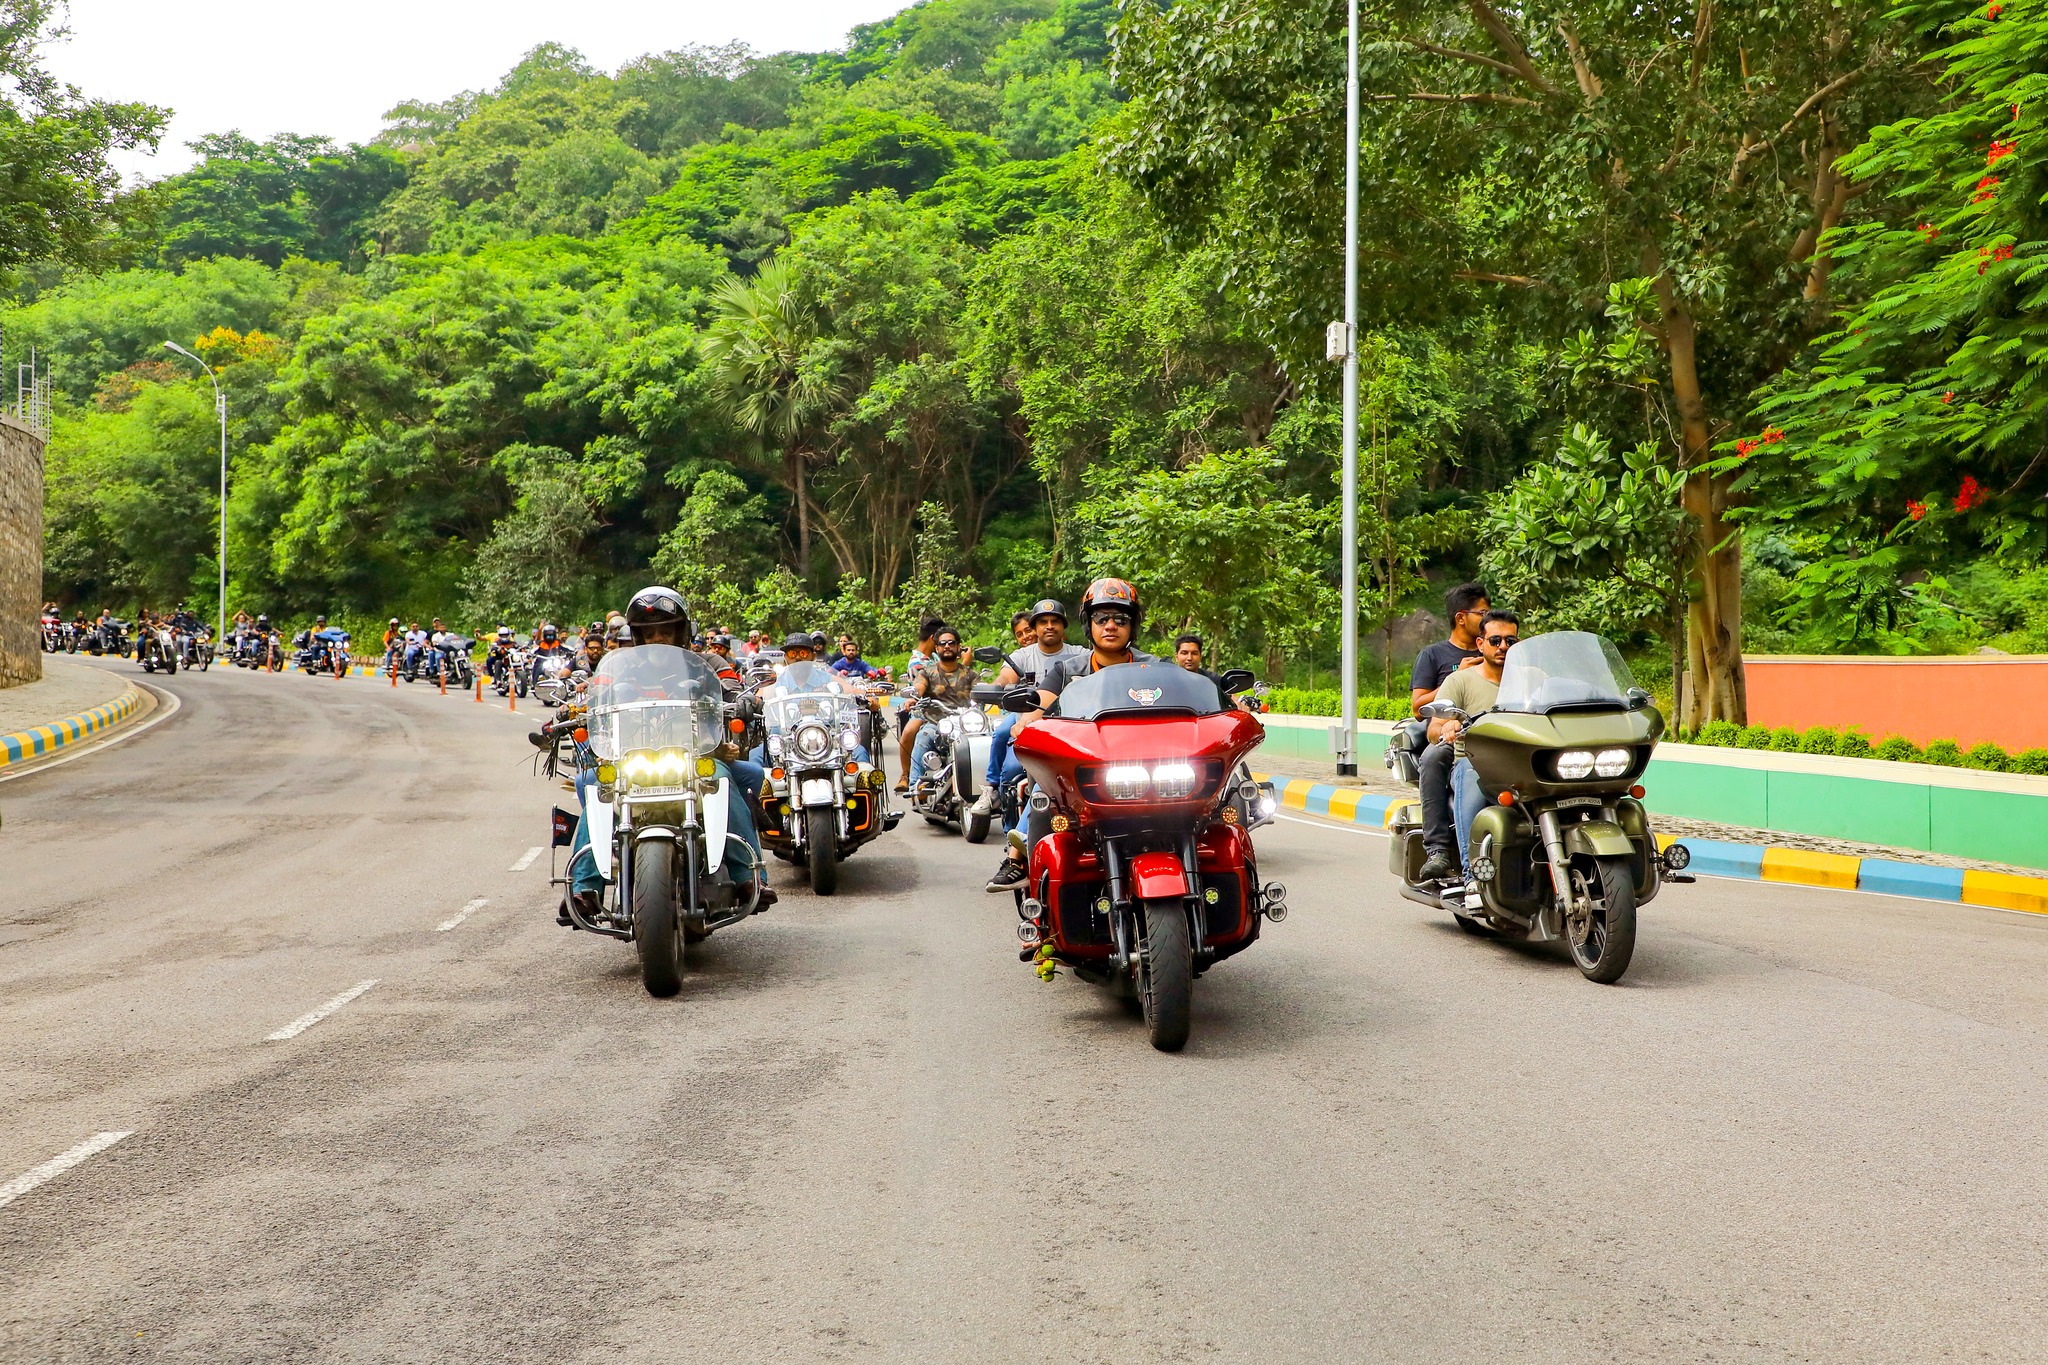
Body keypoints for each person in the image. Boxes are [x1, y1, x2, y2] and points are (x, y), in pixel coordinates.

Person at [563, 586, 776, 923]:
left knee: (720, 778)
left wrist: (746, 699)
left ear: (680, 631)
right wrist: (575, 708)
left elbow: (732, 687)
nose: (657, 638)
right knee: (595, 786)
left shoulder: (708, 662)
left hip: (695, 757)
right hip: (630, 759)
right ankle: (585, 888)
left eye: (665, 630)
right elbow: (596, 696)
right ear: (638, 635)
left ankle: (750, 877)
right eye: (649, 632)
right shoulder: (619, 669)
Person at [986, 579, 1154, 891]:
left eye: (1121, 619)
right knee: (1042, 793)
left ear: (1133, 626)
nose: (1111, 626)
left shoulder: (1153, 667)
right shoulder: (1067, 669)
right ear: (1089, 625)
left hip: (1145, 770)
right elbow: (1040, 706)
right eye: (1101, 618)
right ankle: (1018, 863)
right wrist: (1026, 722)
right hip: (1082, 767)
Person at [1424, 609, 1518, 901]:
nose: (1503, 647)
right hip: (1476, 761)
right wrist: (1448, 724)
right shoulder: (1460, 681)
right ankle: (1472, 878)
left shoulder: (1533, 681)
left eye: (1511, 641)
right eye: (1496, 640)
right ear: (1481, 644)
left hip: (1523, 763)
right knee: (1469, 772)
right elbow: (1433, 729)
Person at [969, 599, 1090, 821]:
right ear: (1035, 628)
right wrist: (995, 688)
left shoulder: (1080, 654)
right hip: (1026, 716)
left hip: (1070, 721)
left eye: (1055, 621)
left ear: (1064, 627)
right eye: (1043, 622)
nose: (1049, 626)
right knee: (1006, 746)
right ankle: (993, 790)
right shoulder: (1022, 656)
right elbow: (1006, 677)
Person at [1412, 583, 1492, 884]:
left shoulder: (1499, 651)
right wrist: (1462, 672)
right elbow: (1418, 706)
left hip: (1496, 732)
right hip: (1452, 733)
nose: (1486, 618)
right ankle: (1437, 850)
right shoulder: (1434, 655)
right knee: (1433, 758)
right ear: (1461, 617)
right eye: (1481, 613)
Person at [906, 626, 980, 795]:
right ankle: (915, 787)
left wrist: (992, 696)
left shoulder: (970, 674)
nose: (947, 646)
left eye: (951, 643)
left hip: (964, 725)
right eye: (943, 643)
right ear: (937, 647)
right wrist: (913, 696)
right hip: (936, 724)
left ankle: (989, 785)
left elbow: (981, 690)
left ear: (958, 647)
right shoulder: (927, 672)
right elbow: (918, 686)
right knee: (923, 736)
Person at [894, 617, 947, 790]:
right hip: (923, 708)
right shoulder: (917, 662)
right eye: (942, 639)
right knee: (909, 731)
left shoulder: (933, 656)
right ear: (933, 638)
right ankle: (906, 774)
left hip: (945, 707)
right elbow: (938, 685)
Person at [529, 623, 573, 688]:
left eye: (551, 636)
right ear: (544, 635)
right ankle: (534, 683)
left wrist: (572, 651)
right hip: (542, 661)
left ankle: (568, 684)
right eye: (548, 636)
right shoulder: (541, 643)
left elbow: (566, 647)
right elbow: (534, 649)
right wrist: (531, 653)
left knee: (565, 667)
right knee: (537, 668)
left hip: (556, 661)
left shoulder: (558, 642)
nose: (550, 638)